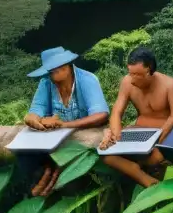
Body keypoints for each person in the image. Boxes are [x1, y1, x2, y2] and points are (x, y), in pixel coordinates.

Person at [22, 47, 109, 196]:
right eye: (49, 72)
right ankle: (37, 186)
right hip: (55, 138)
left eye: (54, 71)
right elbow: (36, 109)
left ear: (66, 67)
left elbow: (101, 114)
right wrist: (33, 119)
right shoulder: (46, 83)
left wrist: (65, 125)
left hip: (85, 137)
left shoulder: (87, 79)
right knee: (25, 153)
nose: (51, 76)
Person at [99, 46, 173, 187]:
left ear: (149, 70)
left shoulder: (170, 85)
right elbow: (117, 112)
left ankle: (147, 173)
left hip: (161, 134)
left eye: (137, 75)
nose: (132, 79)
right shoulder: (127, 82)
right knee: (107, 156)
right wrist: (116, 133)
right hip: (136, 131)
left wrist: (156, 142)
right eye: (130, 73)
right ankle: (139, 174)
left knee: (155, 158)